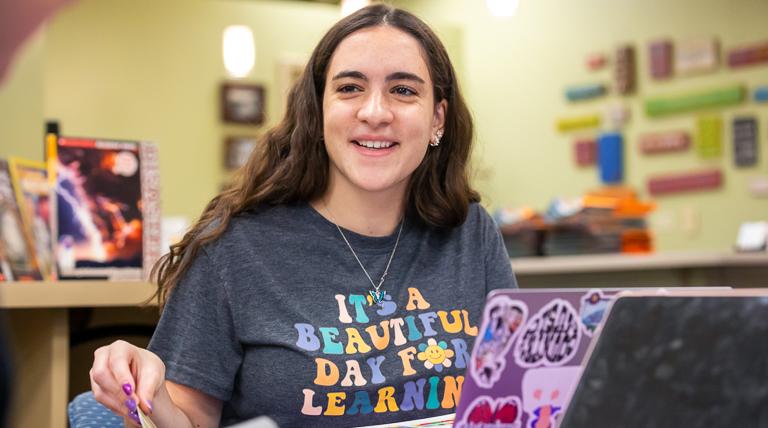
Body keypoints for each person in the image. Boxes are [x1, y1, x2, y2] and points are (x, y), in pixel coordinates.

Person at [89, 4, 517, 427]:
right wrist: (147, 394)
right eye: (350, 88)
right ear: (318, 110)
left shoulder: (471, 232)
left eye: (403, 90)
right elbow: (187, 420)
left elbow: (512, 398)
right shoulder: (235, 246)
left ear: (437, 118)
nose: (374, 112)